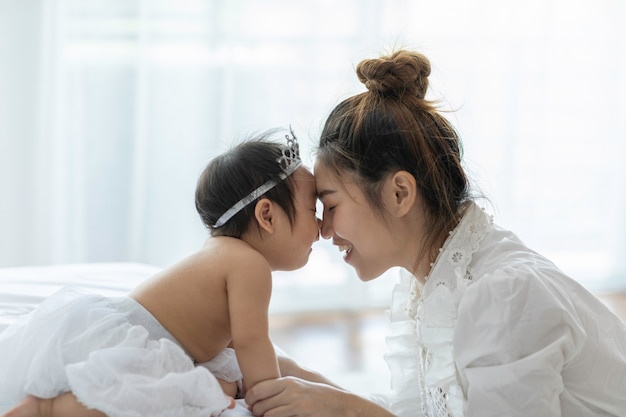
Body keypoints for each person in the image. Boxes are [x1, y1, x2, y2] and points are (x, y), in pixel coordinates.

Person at [245, 50, 626, 417]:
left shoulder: (504, 294)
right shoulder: (435, 287)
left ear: (400, 193)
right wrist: (298, 376)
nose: (324, 230)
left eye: (331, 205)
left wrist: (347, 409)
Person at [0, 129, 321, 417]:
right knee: (139, 397)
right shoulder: (251, 267)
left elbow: (235, 346)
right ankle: (48, 408)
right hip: (141, 342)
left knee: (216, 386)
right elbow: (253, 343)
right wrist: (272, 402)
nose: (321, 226)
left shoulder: (224, 253)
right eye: (313, 211)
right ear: (267, 215)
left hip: (136, 333)